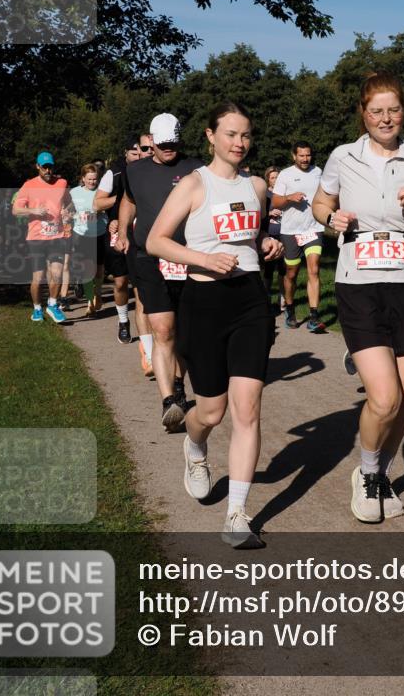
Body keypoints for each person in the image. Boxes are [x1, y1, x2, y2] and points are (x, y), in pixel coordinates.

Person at [312, 72, 404, 522]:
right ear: (363, 114)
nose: (385, 118)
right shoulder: (342, 156)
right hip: (358, 282)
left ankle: (381, 474)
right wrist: (331, 218)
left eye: (393, 110)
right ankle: (368, 472)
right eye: (376, 111)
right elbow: (320, 203)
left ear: (403, 112)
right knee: (385, 397)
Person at [147, 101, 282, 548]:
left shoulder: (257, 186)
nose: (240, 143)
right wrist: (203, 259)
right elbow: (156, 241)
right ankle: (195, 447)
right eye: (231, 134)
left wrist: (266, 243)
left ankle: (237, 515)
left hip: (250, 301)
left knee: (248, 409)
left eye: (245, 135)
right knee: (211, 411)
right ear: (210, 136)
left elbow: (251, 236)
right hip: (204, 302)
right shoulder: (193, 184)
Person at [118, 115, 202, 429]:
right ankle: (169, 401)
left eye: (173, 143)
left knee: (185, 333)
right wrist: (123, 230)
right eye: (163, 144)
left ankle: (179, 384)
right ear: (151, 141)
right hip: (148, 257)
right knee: (163, 330)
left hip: (187, 257)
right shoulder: (134, 170)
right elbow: (128, 201)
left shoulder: (196, 169)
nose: (169, 149)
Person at [94, 133, 149, 358]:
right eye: (134, 153)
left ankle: (148, 336)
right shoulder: (114, 172)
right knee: (120, 282)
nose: (138, 156)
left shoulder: (152, 170)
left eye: (141, 152)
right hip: (117, 231)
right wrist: (122, 202)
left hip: (143, 233)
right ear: (125, 153)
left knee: (141, 284)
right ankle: (123, 320)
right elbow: (97, 203)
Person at [271, 141, 327, 332]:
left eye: (308, 155)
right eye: (301, 155)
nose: (305, 159)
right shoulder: (286, 175)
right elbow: (276, 202)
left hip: (313, 229)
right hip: (291, 231)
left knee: (314, 269)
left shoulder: (318, 172)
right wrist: (289, 197)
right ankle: (290, 308)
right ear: (294, 156)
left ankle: (314, 317)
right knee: (291, 273)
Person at [12, 151, 71, 323]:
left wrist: (67, 211)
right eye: (44, 167)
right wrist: (33, 210)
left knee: (57, 274)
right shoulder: (29, 185)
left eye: (50, 167)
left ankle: (52, 305)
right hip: (36, 237)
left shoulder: (62, 183)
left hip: (56, 236)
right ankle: (37, 308)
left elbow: (68, 202)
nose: (47, 170)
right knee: (38, 278)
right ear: (37, 166)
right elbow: (15, 210)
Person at [69, 164, 108, 316]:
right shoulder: (74, 192)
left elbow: (107, 209)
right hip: (82, 234)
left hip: (100, 233)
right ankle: (90, 302)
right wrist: (67, 214)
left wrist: (100, 212)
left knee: (99, 268)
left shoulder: (103, 192)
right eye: (90, 179)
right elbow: (69, 209)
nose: (92, 182)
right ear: (83, 178)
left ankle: (98, 293)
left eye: (95, 179)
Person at [262, 166, 287, 314]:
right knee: (269, 269)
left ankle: (282, 300)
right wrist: (270, 213)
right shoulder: (264, 194)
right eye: (272, 177)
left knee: (284, 269)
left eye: (277, 177)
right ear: (268, 180)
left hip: (285, 234)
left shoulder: (285, 193)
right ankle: (266, 299)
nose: (275, 180)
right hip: (270, 235)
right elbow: (260, 214)